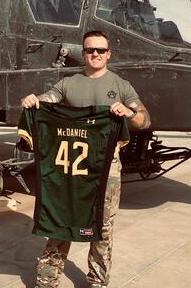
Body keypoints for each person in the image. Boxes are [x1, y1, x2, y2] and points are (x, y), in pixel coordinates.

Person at [21, 30, 151, 288]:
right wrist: (33, 100)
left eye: (100, 50)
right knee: (61, 219)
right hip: (70, 168)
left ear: (108, 54)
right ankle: (47, 280)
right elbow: (47, 102)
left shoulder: (120, 85)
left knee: (102, 227)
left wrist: (128, 112)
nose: (95, 54)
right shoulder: (68, 83)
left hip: (107, 169)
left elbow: (145, 120)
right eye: (90, 50)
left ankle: (97, 282)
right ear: (83, 53)